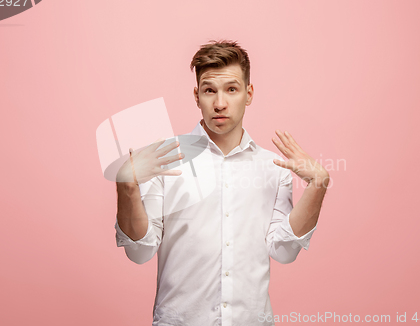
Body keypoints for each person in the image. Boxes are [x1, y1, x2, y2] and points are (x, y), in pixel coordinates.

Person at [114, 40, 330, 326]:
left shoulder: (273, 168)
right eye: (209, 90)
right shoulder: (166, 161)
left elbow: (284, 251)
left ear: (248, 93)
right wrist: (125, 186)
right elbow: (140, 252)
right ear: (196, 95)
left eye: (232, 89)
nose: (219, 103)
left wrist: (318, 185)